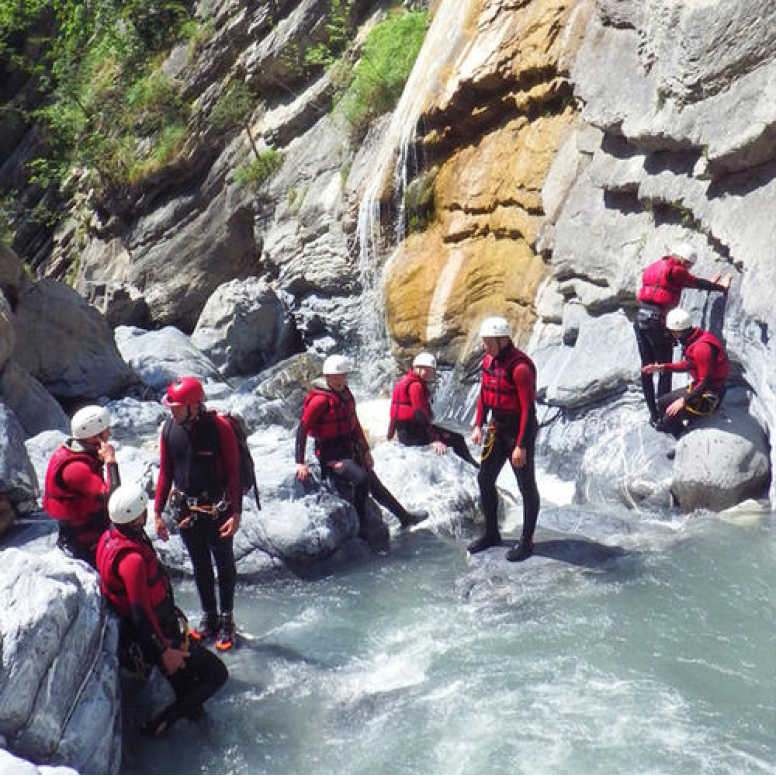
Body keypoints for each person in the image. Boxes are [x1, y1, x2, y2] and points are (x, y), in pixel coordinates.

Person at [97, 482, 228, 737]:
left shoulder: (112, 535)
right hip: (158, 639)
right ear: (137, 518)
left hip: (153, 634)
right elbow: (140, 614)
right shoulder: (131, 560)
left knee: (188, 690)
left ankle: (194, 725)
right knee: (216, 674)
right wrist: (165, 651)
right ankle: (161, 724)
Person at [153, 376, 241, 652]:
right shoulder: (169, 428)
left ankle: (227, 619)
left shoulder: (220, 429)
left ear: (193, 406)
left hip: (217, 508)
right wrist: (157, 512)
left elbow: (234, 474)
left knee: (223, 562)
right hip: (186, 510)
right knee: (200, 564)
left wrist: (236, 514)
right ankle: (209, 617)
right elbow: (166, 472)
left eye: (177, 406)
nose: (172, 411)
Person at [295, 354, 427, 533]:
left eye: (343, 376)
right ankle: (361, 522)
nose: (341, 380)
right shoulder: (319, 400)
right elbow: (302, 429)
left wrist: (366, 450)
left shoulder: (345, 393)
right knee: (362, 479)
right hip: (331, 454)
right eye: (336, 377)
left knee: (375, 483)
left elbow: (355, 423)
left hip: (350, 448)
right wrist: (300, 462)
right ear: (326, 377)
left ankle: (404, 517)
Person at [635, 243, 731, 425]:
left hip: (640, 319)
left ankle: (653, 414)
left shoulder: (655, 266)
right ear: (683, 260)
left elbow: (680, 283)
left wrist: (709, 283)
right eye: (688, 265)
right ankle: (664, 413)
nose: (687, 268)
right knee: (664, 369)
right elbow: (694, 282)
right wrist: (720, 287)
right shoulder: (677, 270)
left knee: (647, 368)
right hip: (656, 321)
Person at [469, 317, 540, 562]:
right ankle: (491, 533)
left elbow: (528, 410)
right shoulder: (488, 361)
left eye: (489, 342)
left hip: (519, 431)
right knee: (484, 478)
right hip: (496, 428)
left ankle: (527, 541)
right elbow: (484, 395)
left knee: (526, 486)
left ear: (502, 340)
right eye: (484, 342)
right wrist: (478, 424)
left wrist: (521, 445)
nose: (485, 346)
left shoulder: (520, 368)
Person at [43, 405, 119, 567]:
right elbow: (114, 500)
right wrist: (111, 462)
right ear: (95, 435)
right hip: (83, 539)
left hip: (88, 528)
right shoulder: (76, 469)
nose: (110, 433)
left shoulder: (81, 452)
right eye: (106, 430)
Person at [642, 308, 730, 438]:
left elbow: (704, 382)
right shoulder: (696, 339)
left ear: (677, 332)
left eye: (671, 332)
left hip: (710, 395)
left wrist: (683, 401)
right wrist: (664, 367)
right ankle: (681, 428)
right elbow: (690, 364)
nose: (670, 335)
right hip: (702, 389)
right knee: (662, 402)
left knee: (668, 419)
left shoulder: (701, 348)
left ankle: (684, 439)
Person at [387, 352, 479, 467]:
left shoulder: (402, 382)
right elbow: (419, 414)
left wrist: (389, 436)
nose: (430, 374)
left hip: (406, 432)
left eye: (431, 371)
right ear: (417, 369)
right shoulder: (416, 386)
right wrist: (434, 439)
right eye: (427, 370)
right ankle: (473, 466)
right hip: (413, 435)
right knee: (457, 439)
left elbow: (394, 415)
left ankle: (472, 465)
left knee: (449, 434)